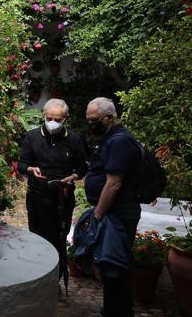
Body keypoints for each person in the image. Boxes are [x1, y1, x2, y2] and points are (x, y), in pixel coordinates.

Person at [18, 99, 87, 284]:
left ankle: (56, 278)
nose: (52, 123)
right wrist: (31, 170)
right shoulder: (32, 137)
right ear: (43, 116)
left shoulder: (74, 139)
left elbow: (82, 167)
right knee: (39, 237)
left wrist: (74, 176)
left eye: (57, 119)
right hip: (38, 197)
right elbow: (21, 164)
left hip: (63, 197)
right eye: (49, 118)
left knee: (59, 237)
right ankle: (39, 279)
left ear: (65, 119)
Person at [84, 97, 141, 317]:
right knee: (111, 264)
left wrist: (97, 215)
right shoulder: (112, 138)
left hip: (118, 212)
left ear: (110, 117)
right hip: (115, 211)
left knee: (115, 264)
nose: (90, 125)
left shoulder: (119, 141)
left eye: (94, 120)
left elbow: (114, 183)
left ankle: (118, 311)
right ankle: (115, 308)